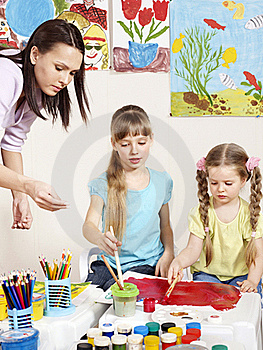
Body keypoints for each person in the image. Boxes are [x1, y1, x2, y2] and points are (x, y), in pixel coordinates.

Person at [0, 19, 89, 229]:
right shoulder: (6, 77)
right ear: (34, 55)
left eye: (72, 73)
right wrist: (29, 186)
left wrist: (20, 197)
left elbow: (12, 143)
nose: (65, 80)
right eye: (59, 68)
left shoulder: (38, 91)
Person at [83, 105, 174, 291]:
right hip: (110, 265)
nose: (134, 151)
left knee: (118, 296)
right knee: (88, 299)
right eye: (125, 144)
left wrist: (169, 254)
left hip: (146, 265)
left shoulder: (162, 181)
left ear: (151, 140)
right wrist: (99, 238)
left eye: (141, 142)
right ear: (114, 144)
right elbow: (88, 225)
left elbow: (165, 225)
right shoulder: (102, 183)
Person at [168, 143, 263, 297]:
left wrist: (252, 281)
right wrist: (178, 262)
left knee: (245, 306)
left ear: (243, 180)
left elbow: (258, 255)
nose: (220, 189)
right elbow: (193, 249)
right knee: (203, 306)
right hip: (207, 275)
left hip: (241, 277)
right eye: (214, 183)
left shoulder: (249, 214)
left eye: (228, 183)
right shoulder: (201, 212)